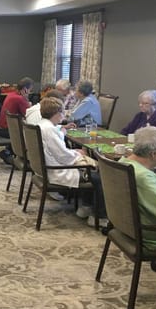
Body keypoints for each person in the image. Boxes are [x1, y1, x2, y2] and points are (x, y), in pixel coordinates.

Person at [39, 97, 106, 227]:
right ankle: (98, 216)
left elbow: (57, 146)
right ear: (57, 113)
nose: (63, 116)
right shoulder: (50, 130)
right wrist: (78, 153)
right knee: (99, 177)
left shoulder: (43, 125)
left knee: (89, 169)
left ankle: (85, 207)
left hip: (49, 168)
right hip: (57, 171)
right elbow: (64, 157)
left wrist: (62, 130)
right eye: (62, 113)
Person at [118, 127, 156, 264]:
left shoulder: (124, 163)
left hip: (128, 230)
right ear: (154, 154)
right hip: (155, 237)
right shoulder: (144, 178)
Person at [0, 77, 33, 162]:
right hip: (8, 130)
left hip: (1, 127)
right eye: (30, 90)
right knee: (30, 133)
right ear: (25, 89)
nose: (30, 92)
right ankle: (20, 156)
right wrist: (26, 100)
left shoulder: (11, 94)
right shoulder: (20, 98)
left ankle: (8, 151)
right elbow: (28, 114)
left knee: (21, 129)